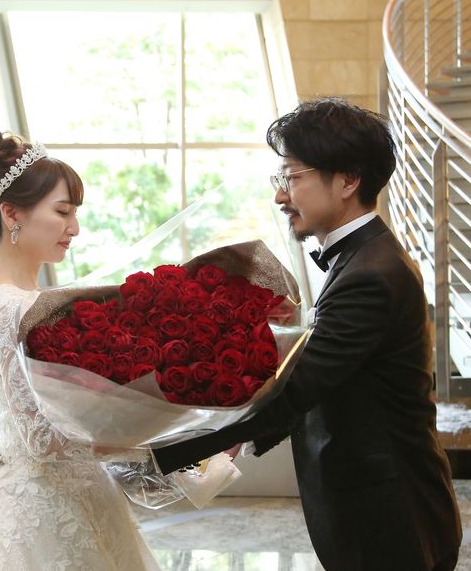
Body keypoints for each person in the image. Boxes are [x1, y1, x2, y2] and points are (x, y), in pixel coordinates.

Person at [152, 97, 462, 571]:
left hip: (391, 517)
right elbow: (329, 384)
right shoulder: (364, 259)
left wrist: (161, 451)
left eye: (292, 178)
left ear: (348, 180)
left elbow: (299, 388)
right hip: (381, 507)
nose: (281, 197)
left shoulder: (370, 275)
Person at [0, 128, 160, 571]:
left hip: (78, 496)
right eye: (63, 212)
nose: (75, 228)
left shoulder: (26, 301)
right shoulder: (10, 308)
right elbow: (43, 440)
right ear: (12, 213)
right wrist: (140, 426)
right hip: (42, 509)